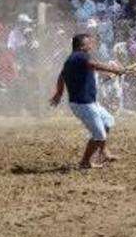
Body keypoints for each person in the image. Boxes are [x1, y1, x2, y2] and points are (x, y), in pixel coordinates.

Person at [50, 33, 127, 169]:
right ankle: (85, 162)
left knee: (108, 121)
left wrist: (59, 93)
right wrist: (115, 70)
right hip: (83, 105)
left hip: (89, 103)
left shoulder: (71, 59)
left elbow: (61, 76)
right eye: (89, 43)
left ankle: (103, 151)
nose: (92, 45)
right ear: (82, 45)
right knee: (99, 134)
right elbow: (93, 64)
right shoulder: (81, 56)